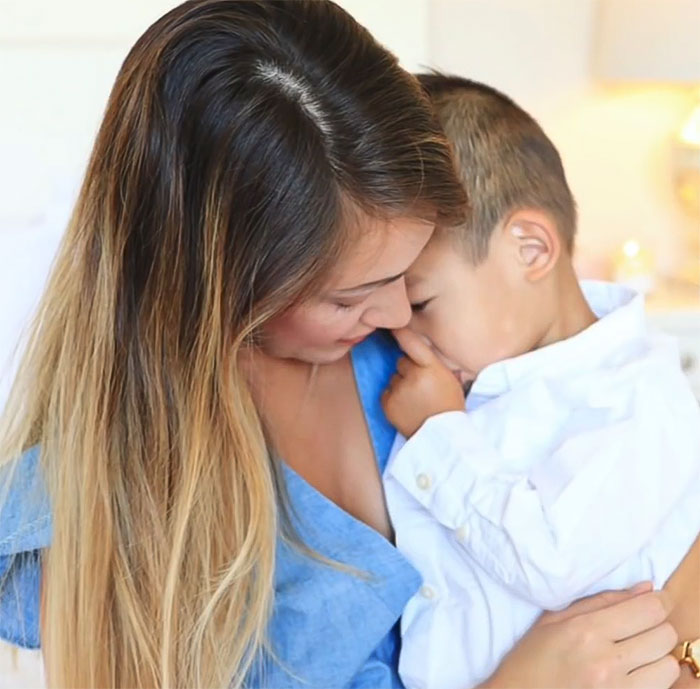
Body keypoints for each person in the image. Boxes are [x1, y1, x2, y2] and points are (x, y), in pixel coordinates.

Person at [0, 2, 688, 688]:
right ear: (224, 285)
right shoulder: (112, 507)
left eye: (411, 277)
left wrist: (661, 645)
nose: (395, 315)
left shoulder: (451, 349)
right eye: (351, 294)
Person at [382, 74, 700, 689]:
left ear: (530, 249)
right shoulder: (483, 375)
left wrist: (437, 432)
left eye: (421, 303)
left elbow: (556, 560)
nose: (402, 332)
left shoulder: (637, 396)